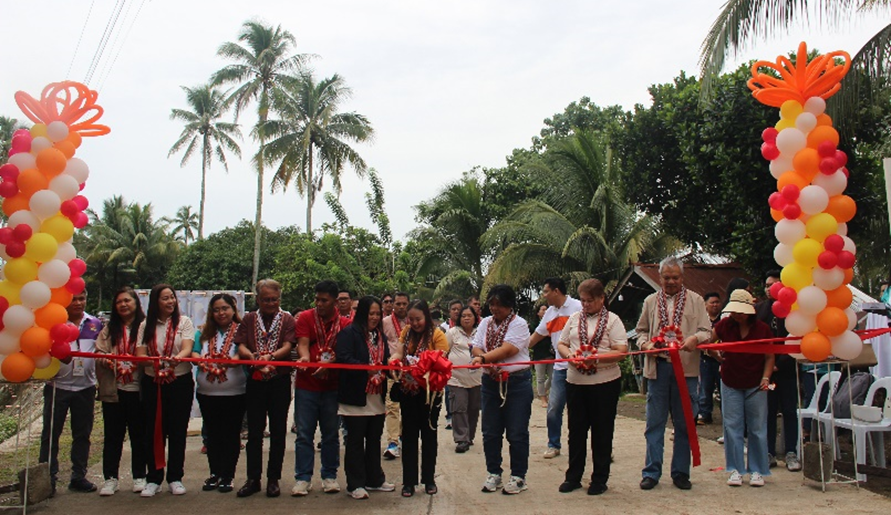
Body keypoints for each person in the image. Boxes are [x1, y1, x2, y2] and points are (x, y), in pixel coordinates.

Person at [637, 257, 711, 491]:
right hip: (657, 368)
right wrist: (645, 345)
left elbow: (706, 330)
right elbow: (639, 332)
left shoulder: (696, 300)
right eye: (666, 277)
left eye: (675, 277)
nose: (670, 281)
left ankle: (680, 472)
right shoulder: (650, 301)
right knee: (654, 423)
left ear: (682, 277)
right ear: (660, 278)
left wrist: (694, 339)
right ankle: (651, 472)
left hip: (686, 369)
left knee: (684, 423)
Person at [556, 279, 627, 495]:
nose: (585, 305)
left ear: (601, 299)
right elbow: (562, 343)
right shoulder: (574, 319)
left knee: (602, 431)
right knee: (576, 431)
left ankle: (599, 479)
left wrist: (597, 357)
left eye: (590, 301)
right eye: (583, 301)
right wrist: (570, 356)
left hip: (604, 383)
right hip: (576, 382)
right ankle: (573, 476)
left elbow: (621, 350)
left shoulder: (613, 320)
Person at [235, 279, 296, 498]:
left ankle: (273, 479)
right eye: (266, 299)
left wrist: (270, 357)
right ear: (258, 299)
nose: (271, 303)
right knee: (254, 432)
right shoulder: (250, 319)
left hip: (278, 380)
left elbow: (288, 345)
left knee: (279, 431)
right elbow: (240, 343)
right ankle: (253, 478)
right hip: (255, 380)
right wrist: (251, 356)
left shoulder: (287, 319)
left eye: (274, 299)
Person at [709, 289, 775, 487]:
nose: (737, 315)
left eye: (741, 311)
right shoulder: (724, 325)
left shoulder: (762, 329)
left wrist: (766, 377)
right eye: (735, 311)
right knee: (732, 427)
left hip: (756, 384)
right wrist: (717, 356)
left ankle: (757, 470)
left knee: (757, 428)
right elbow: (709, 343)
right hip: (730, 382)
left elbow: (770, 355)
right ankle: (735, 469)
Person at [471, 284, 533, 495]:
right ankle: (493, 473)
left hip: (516, 382)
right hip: (490, 382)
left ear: (510, 306)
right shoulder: (485, 323)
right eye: (492, 304)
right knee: (490, 431)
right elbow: (476, 346)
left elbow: (509, 349)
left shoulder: (519, 324)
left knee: (516, 432)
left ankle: (518, 476)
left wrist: (483, 359)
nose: (495, 309)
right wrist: (482, 358)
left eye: (499, 305)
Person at [40, 291, 103, 494]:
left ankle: (78, 476)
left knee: (82, 434)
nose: (78, 303)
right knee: (50, 435)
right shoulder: (53, 322)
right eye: (73, 299)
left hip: (85, 387)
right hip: (57, 387)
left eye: (81, 298)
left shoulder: (94, 323)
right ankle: (47, 478)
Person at [136, 284, 195, 497]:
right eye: (165, 298)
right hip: (153, 382)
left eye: (172, 297)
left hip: (180, 381)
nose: (170, 302)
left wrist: (175, 360)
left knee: (178, 430)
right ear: (155, 302)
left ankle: (175, 477)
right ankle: (153, 478)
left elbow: (188, 348)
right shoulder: (145, 325)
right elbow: (140, 354)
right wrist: (154, 363)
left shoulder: (184, 322)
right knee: (153, 430)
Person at [335, 296, 396, 499]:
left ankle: (374, 479)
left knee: (373, 439)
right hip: (355, 397)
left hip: (376, 396)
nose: (375, 317)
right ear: (362, 313)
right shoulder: (349, 333)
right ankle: (355, 484)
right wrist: (366, 370)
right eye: (371, 313)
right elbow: (344, 358)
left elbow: (385, 359)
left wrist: (392, 368)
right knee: (354, 441)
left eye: (378, 314)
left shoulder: (380, 336)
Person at [292, 280, 350, 496]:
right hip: (307, 384)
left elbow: (343, 352)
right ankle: (303, 478)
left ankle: (329, 476)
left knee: (330, 434)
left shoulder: (344, 324)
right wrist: (305, 359)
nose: (319, 304)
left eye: (324, 300)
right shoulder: (306, 317)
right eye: (317, 299)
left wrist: (330, 366)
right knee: (304, 434)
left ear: (335, 301)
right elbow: (303, 344)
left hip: (333, 386)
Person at [390, 299, 449, 497]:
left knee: (429, 436)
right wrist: (394, 361)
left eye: (418, 319)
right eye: (411, 319)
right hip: (409, 391)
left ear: (427, 317)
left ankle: (429, 479)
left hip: (430, 395)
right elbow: (399, 352)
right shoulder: (406, 333)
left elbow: (441, 361)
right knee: (408, 437)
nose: (414, 323)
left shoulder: (438, 335)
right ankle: (408, 482)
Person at [94, 287, 147, 496]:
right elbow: (99, 351)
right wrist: (105, 359)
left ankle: (139, 476)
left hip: (137, 388)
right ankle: (110, 478)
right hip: (113, 390)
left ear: (136, 303)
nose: (123, 305)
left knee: (139, 435)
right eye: (119, 302)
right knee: (113, 436)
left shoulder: (145, 327)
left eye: (127, 300)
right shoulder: (109, 328)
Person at [193, 293, 246, 494]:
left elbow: (243, 352)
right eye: (216, 309)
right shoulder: (204, 332)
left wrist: (232, 359)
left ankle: (228, 475)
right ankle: (214, 472)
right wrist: (201, 360)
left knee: (231, 435)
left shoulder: (242, 331)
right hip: (207, 392)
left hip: (235, 392)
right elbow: (195, 351)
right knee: (212, 435)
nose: (221, 313)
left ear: (233, 310)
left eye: (225, 308)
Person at [529, 277, 582, 459]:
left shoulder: (578, 307)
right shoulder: (549, 314)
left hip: (581, 367)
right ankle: (553, 444)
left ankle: (601, 448)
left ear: (556, 291)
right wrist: (515, 352)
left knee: (585, 409)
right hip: (560, 368)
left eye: (546, 291)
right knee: (553, 408)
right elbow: (536, 336)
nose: (544, 296)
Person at [756, 270, 801, 471]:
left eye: (774, 285)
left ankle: (791, 452)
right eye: (767, 285)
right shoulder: (760, 311)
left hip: (787, 370)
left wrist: (779, 363)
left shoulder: (793, 311)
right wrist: (767, 365)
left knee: (790, 411)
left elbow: (795, 339)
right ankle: (769, 452)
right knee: (769, 411)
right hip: (767, 373)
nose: (769, 289)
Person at [447, 305, 482, 453]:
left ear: (475, 318)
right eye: (463, 316)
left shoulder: (480, 332)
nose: (466, 318)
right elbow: (444, 352)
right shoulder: (452, 333)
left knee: (473, 409)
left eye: (469, 315)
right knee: (459, 408)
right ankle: (461, 439)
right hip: (456, 379)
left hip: (477, 380)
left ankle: (470, 436)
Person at [381, 292, 410, 460]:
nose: (400, 307)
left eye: (403, 303)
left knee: (407, 406)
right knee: (392, 405)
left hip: (410, 371)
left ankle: (401, 436)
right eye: (397, 303)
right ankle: (392, 442)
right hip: (391, 369)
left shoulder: (413, 321)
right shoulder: (384, 323)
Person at [697, 292, 722, 425]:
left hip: (720, 358)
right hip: (705, 358)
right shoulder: (701, 320)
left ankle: (726, 413)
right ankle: (705, 413)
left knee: (723, 387)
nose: (715, 305)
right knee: (705, 387)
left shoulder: (723, 319)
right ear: (705, 305)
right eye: (712, 302)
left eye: (717, 302)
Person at [531, 305, 554, 408]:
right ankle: (543, 399)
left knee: (553, 376)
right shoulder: (533, 325)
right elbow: (532, 339)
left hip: (551, 354)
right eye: (543, 309)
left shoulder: (553, 322)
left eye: (546, 309)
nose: (545, 311)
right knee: (540, 378)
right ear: (538, 313)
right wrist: (543, 333)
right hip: (539, 355)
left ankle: (543, 390)